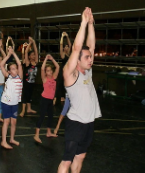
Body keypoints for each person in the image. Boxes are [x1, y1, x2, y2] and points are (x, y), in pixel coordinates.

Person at [57, 8, 101, 173]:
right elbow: (77, 48)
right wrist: (83, 22)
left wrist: (91, 24)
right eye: (87, 57)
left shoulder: (87, 70)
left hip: (88, 122)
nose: (91, 59)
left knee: (80, 157)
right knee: (66, 161)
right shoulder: (70, 74)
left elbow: (91, 45)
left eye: (90, 57)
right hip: (75, 123)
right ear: (77, 61)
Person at [0, 47, 23, 149]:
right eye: (13, 69)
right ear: (9, 71)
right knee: (6, 121)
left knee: (14, 122)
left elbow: (19, 64)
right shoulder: (7, 76)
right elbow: (1, 65)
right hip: (6, 103)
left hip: (15, 104)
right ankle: (3, 141)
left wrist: (14, 54)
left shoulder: (19, 77)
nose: (15, 70)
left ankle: (12, 139)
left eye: (16, 68)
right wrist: (8, 55)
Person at [34, 54, 59, 143]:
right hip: (44, 99)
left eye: (50, 70)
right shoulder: (44, 79)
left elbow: (58, 66)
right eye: (47, 71)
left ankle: (48, 132)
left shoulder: (54, 77)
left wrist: (52, 59)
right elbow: (42, 68)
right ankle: (36, 135)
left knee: (51, 116)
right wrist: (45, 59)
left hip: (50, 100)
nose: (49, 72)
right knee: (41, 116)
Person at [19, 37, 38, 117]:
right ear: (29, 57)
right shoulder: (27, 63)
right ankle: (23, 110)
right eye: (32, 55)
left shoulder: (35, 62)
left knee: (30, 95)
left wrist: (34, 42)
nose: (34, 56)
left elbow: (37, 52)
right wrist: (30, 43)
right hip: (26, 82)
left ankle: (29, 109)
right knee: (25, 95)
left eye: (34, 55)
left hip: (32, 82)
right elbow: (26, 52)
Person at [54, 32, 71, 105]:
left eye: (67, 46)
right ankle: (55, 98)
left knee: (66, 84)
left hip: (67, 71)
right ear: (64, 48)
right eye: (66, 46)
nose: (67, 47)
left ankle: (63, 97)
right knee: (59, 84)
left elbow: (70, 45)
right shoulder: (63, 54)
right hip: (62, 71)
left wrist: (67, 37)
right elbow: (61, 45)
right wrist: (62, 37)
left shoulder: (69, 54)